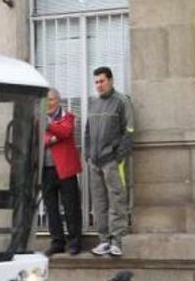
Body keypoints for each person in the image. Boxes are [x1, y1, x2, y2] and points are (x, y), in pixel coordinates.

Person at [85, 66, 135, 257]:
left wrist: (118, 156)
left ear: (111, 81)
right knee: (98, 202)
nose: (99, 85)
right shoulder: (93, 103)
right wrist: (88, 154)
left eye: (102, 81)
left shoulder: (121, 101)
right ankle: (104, 240)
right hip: (95, 161)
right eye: (96, 82)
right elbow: (88, 131)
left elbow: (129, 131)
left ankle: (117, 241)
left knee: (117, 199)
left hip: (112, 161)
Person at [42, 88, 83, 256]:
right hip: (46, 170)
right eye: (46, 100)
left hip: (65, 168)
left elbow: (65, 131)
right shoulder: (40, 119)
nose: (48, 103)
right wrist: (51, 137)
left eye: (51, 99)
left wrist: (49, 129)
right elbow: (39, 140)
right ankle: (57, 242)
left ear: (58, 100)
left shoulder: (68, 116)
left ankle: (74, 242)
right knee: (51, 208)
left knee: (71, 206)